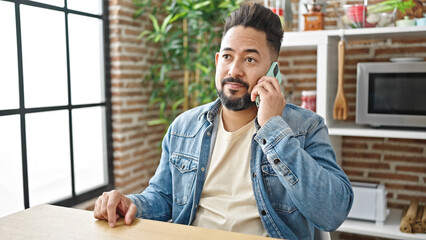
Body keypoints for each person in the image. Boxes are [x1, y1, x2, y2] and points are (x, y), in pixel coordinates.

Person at [94, 3, 353, 239]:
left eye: (250, 59)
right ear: (218, 61)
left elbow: (332, 214)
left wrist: (274, 128)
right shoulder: (183, 128)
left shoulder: (306, 127)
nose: (234, 71)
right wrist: (132, 204)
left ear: (273, 71)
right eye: (227, 57)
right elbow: (164, 196)